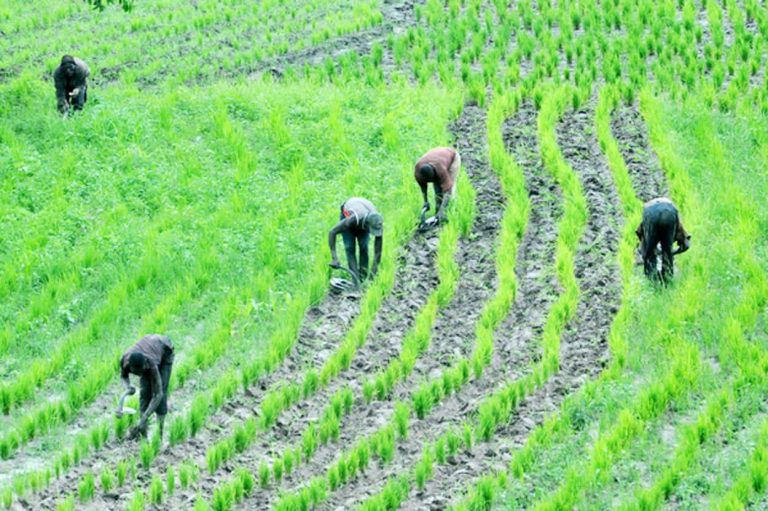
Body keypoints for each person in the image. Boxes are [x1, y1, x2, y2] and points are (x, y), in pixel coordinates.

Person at [119, 334, 174, 439]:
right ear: (130, 366)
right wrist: (128, 386)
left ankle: (159, 435)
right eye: (137, 372)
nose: (140, 374)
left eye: (142, 371)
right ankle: (142, 433)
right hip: (150, 346)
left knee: (161, 394)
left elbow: (158, 394)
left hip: (165, 350)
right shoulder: (125, 360)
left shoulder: (151, 363)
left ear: (145, 364)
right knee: (145, 392)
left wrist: (145, 416)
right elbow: (123, 377)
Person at [636, 197, 690, 283]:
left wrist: (651, 250)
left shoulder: (643, 225)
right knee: (667, 249)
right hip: (669, 212)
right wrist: (670, 252)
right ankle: (667, 277)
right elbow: (686, 245)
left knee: (650, 251)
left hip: (651, 213)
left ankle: (651, 278)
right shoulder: (679, 227)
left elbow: (644, 247)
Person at [328, 197, 383, 283]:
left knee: (364, 246)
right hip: (351, 213)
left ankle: (363, 278)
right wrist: (334, 257)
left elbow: (378, 253)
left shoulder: (377, 223)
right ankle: (355, 281)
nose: (372, 233)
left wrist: (372, 276)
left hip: (364, 211)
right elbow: (332, 232)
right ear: (366, 225)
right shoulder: (352, 220)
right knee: (350, 247)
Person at [414, 147, 461, 226]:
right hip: (437, 156)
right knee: (438, 188)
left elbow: (448, 191)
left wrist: (442, 210)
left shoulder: (440, 169)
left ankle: (449, 211)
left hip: (452, 157)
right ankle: (438, 212)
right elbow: (423, 188)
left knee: (448, 188)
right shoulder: (418, 173)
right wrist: (426, 201)